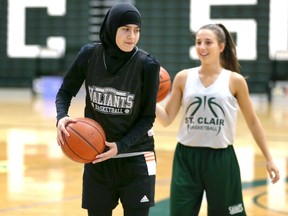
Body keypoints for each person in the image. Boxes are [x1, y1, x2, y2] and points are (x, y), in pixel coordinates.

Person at [156, 23, 280, 216]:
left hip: (221, 159)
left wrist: (269, 158)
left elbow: (253, 121)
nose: (202, 47)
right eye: (198, 42)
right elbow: (166, 119)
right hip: (186, 159)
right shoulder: (183, 77)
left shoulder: (235, 80)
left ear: (221, 47)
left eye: (208, 42)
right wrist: (147, 98)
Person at [55, 3, 160, 216]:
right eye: (126, 29)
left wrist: (121, 146)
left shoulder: (148, 65)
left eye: (136, 30)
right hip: (98, 157)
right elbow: (65, 92)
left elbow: (148, 118)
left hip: (137, 156)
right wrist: (61, 117)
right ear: (112, 28)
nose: (132, 36)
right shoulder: (89, 55)